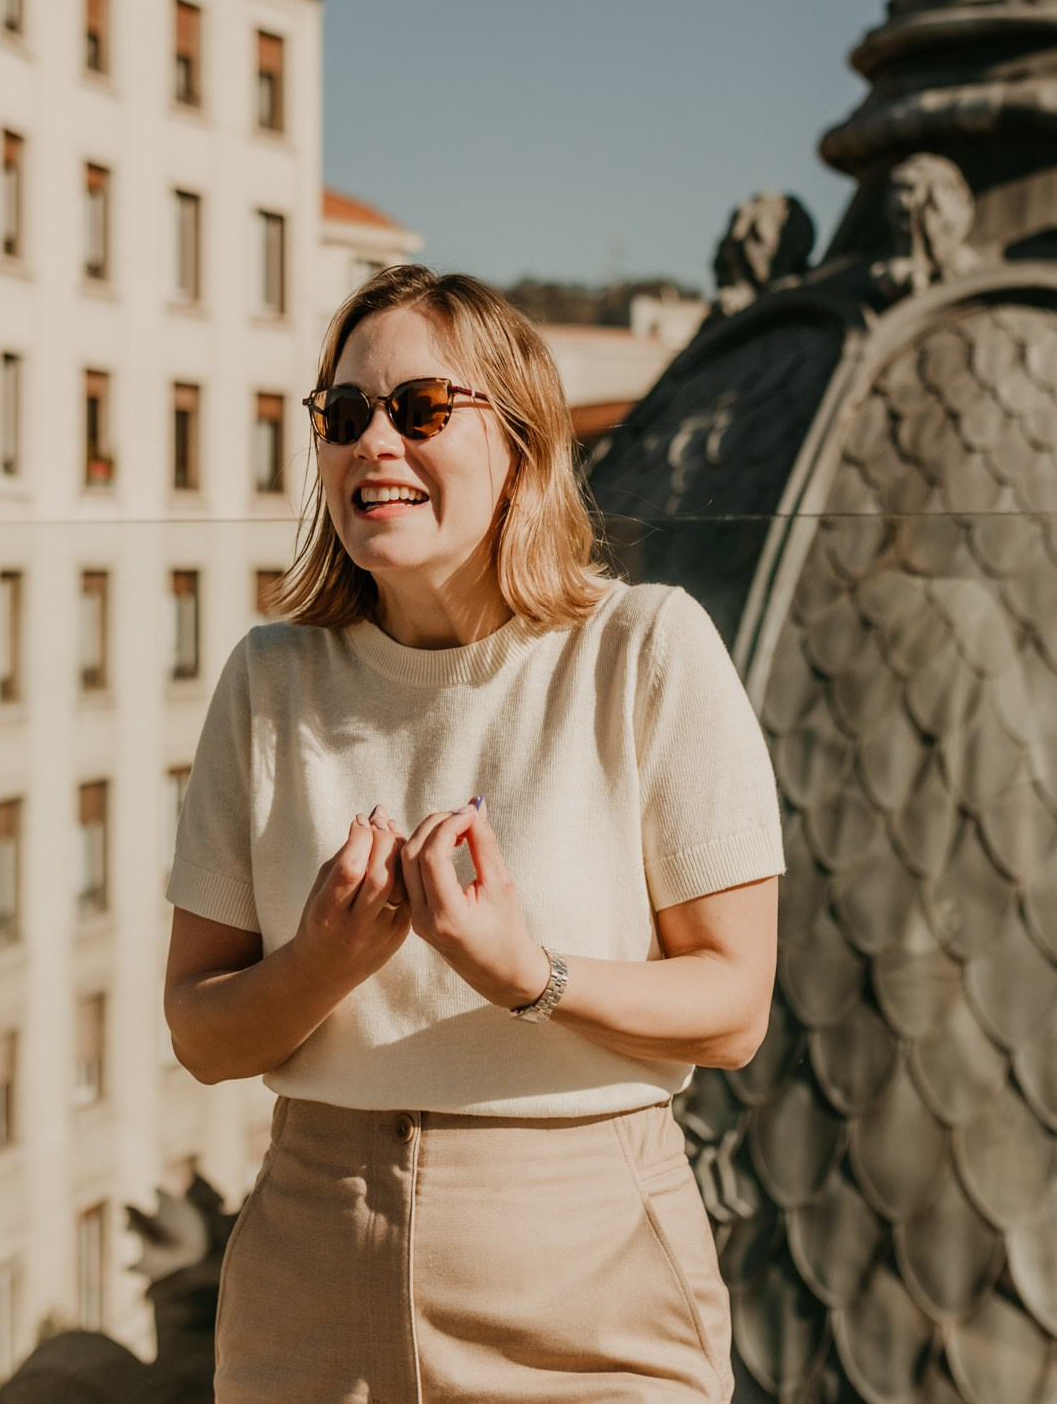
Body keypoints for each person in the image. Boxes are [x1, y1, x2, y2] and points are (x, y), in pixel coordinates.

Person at [162, 264, 784, 1402]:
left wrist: (528, 975)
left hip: (585, 1273)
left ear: (521, 447)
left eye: (421, 409)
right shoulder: (269, 679)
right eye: (344, 414)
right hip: (311, 1257)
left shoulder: (644, 650)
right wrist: (321, 965)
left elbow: (735, 1008)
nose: (373, 442)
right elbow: (201, 1034)